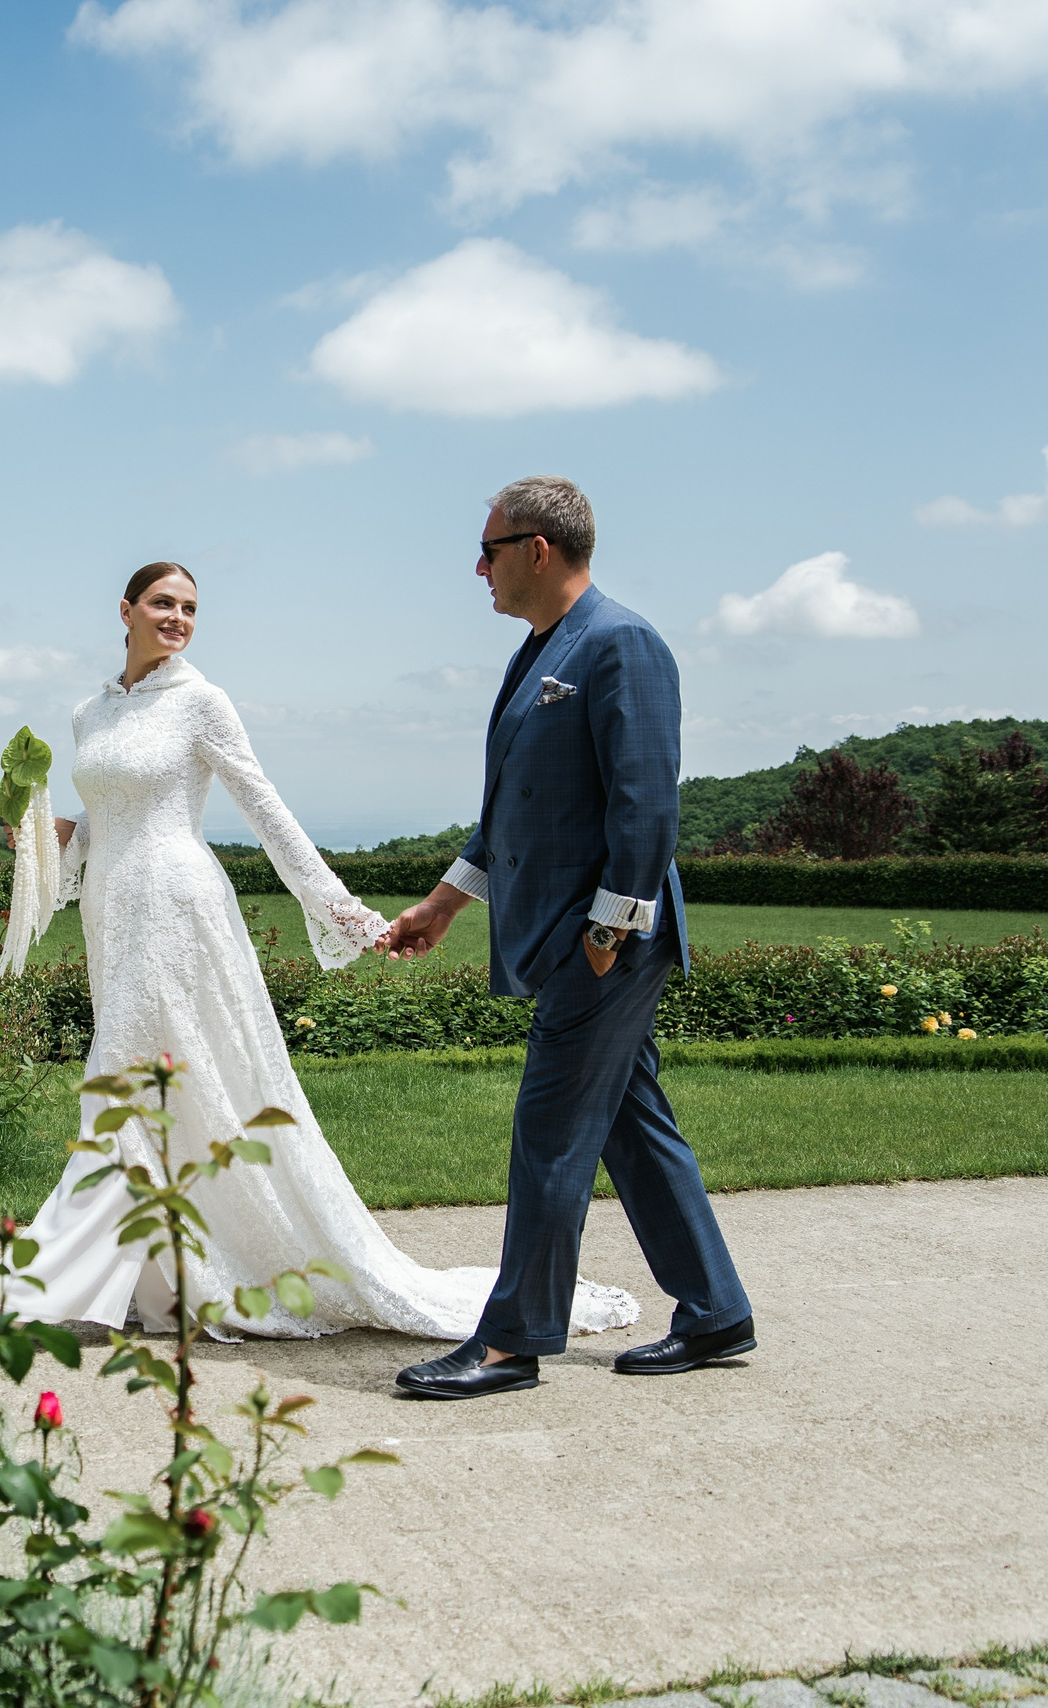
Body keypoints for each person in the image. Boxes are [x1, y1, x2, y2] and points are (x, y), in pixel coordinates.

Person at [0, 561, 638, 1343]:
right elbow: (104, 819)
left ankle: (54, 1281)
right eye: (163, 603)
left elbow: (267, 812)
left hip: (177, 910)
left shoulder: (202, 703)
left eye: (191, 607)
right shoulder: (91, 712)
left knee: (121, 1077)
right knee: (161, 1091)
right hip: (111, 913)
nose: (178, 618)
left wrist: (345, 914)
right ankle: (169, 1275)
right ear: (125, 609)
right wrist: (48, 839)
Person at [382, 477, 755, 1399]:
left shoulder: (623, 644)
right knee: (633, 1125)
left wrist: (610, 931)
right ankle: (714, 1312)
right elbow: (511, 811)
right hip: (559, 934)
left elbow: (646, 807)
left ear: (537, 550)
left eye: (489, 550)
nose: (480, 567)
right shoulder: (536, 653)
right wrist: (443, 906)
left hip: (602, 945)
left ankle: (513, 1341)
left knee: (549, 1131)